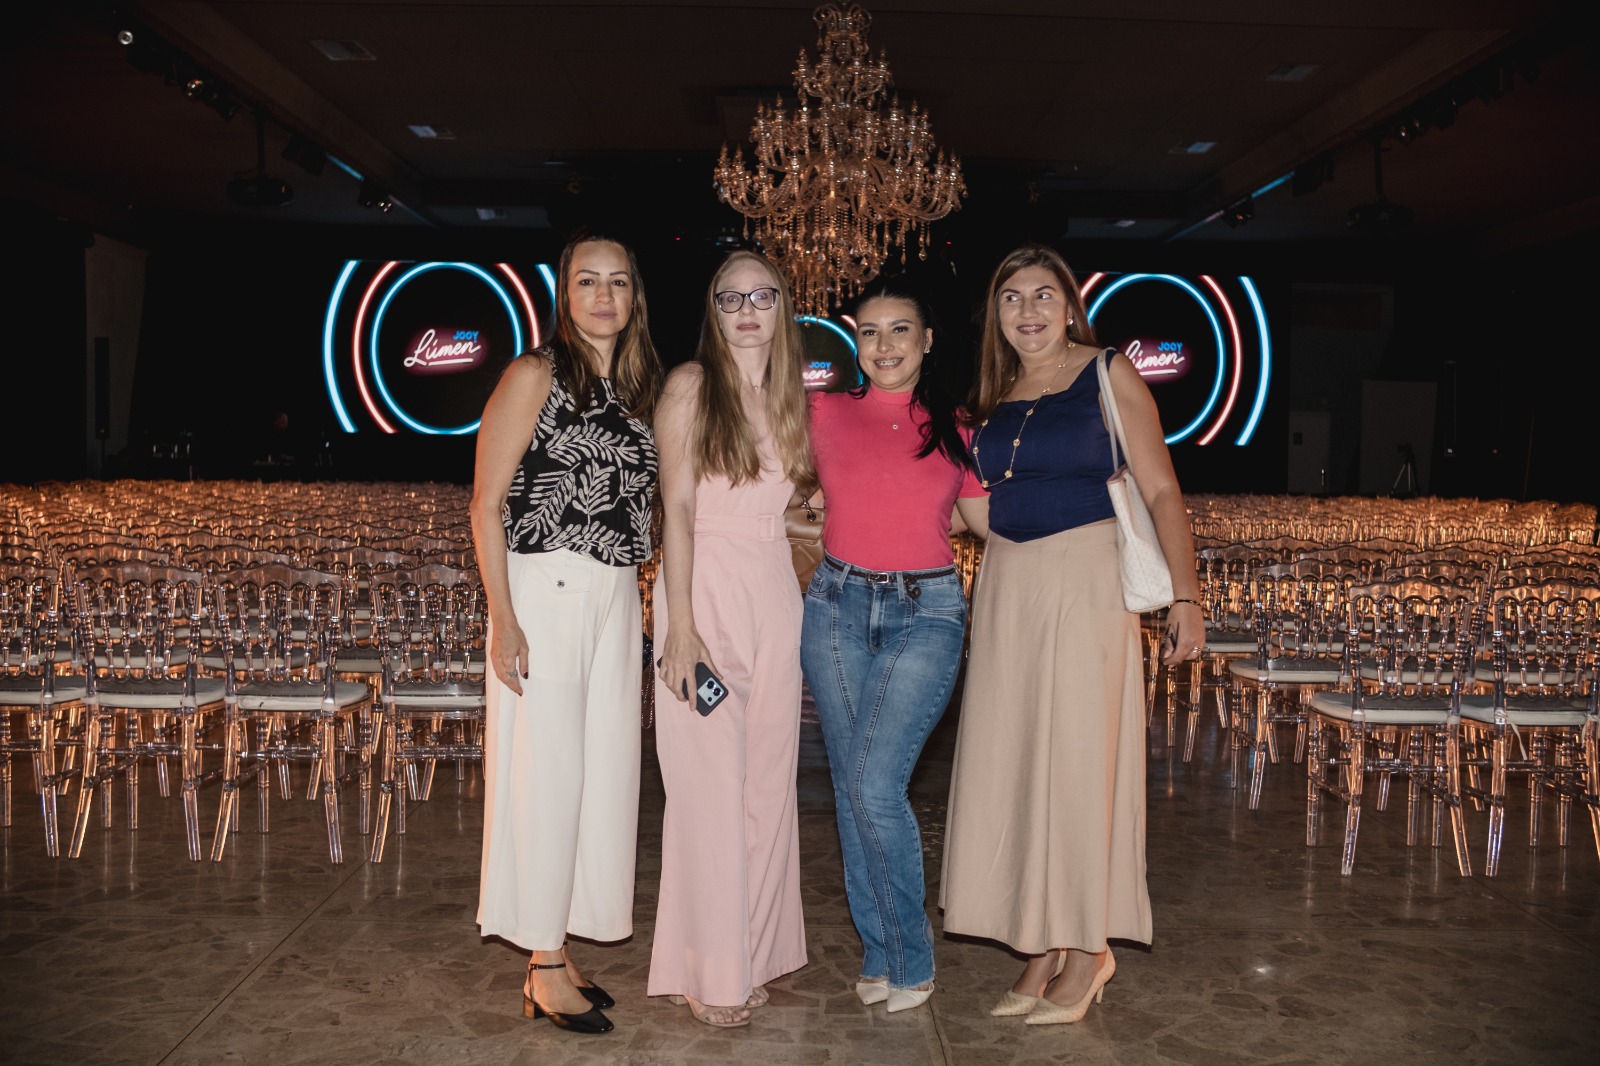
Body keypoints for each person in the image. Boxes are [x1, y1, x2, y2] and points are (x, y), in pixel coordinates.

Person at [940, 244, 1203, 1026]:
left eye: (1042, 295)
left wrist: (1186, 595)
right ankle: (1041, 944)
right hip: (1008, 585)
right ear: (996, 314)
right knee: (1018, 763)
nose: (1027, 311)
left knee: (1082, 764)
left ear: (1069, 307)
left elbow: (1161, 487)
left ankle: (1089, 947)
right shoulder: (991, 397)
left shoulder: (1107, 372)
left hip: (1087, 581)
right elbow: (968, 508)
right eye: (1012, 297)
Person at [471, 235, 662, 1036]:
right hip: (544, 587)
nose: (604, 296)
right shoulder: (534, 374)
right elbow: (485, 505)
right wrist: (503, 617)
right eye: (588, 281)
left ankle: (560, 943)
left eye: (618, 281)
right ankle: (544, 964)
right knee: (545, 775)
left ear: (634, 295)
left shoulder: (639, 388)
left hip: (615, 591)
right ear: (564, 293)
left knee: (600, 775)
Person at [800, 277, 987, 1013]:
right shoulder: (821, 411)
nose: (883, 345)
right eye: (869, 332)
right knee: (854, 788)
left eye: (899, 329)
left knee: (875, 785)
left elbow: (986, 522)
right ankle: (880, 954)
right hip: (835, 606)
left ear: (927, 339)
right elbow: (769, 482)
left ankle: (911, 960)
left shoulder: (957, 425)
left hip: (927, 611)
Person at [649, 251, 812, 1028]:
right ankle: (707, 969)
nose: (747, 310)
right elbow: (677, 509)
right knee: (708, 790)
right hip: (702, 594)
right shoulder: (690, 386)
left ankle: (751, 951)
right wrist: (681, 628)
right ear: (712, 312)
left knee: (767, 790)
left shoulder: (792, 399)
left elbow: (790, 509)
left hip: (775, 598)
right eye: (730, 298)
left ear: (783, 306)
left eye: (761, 295)